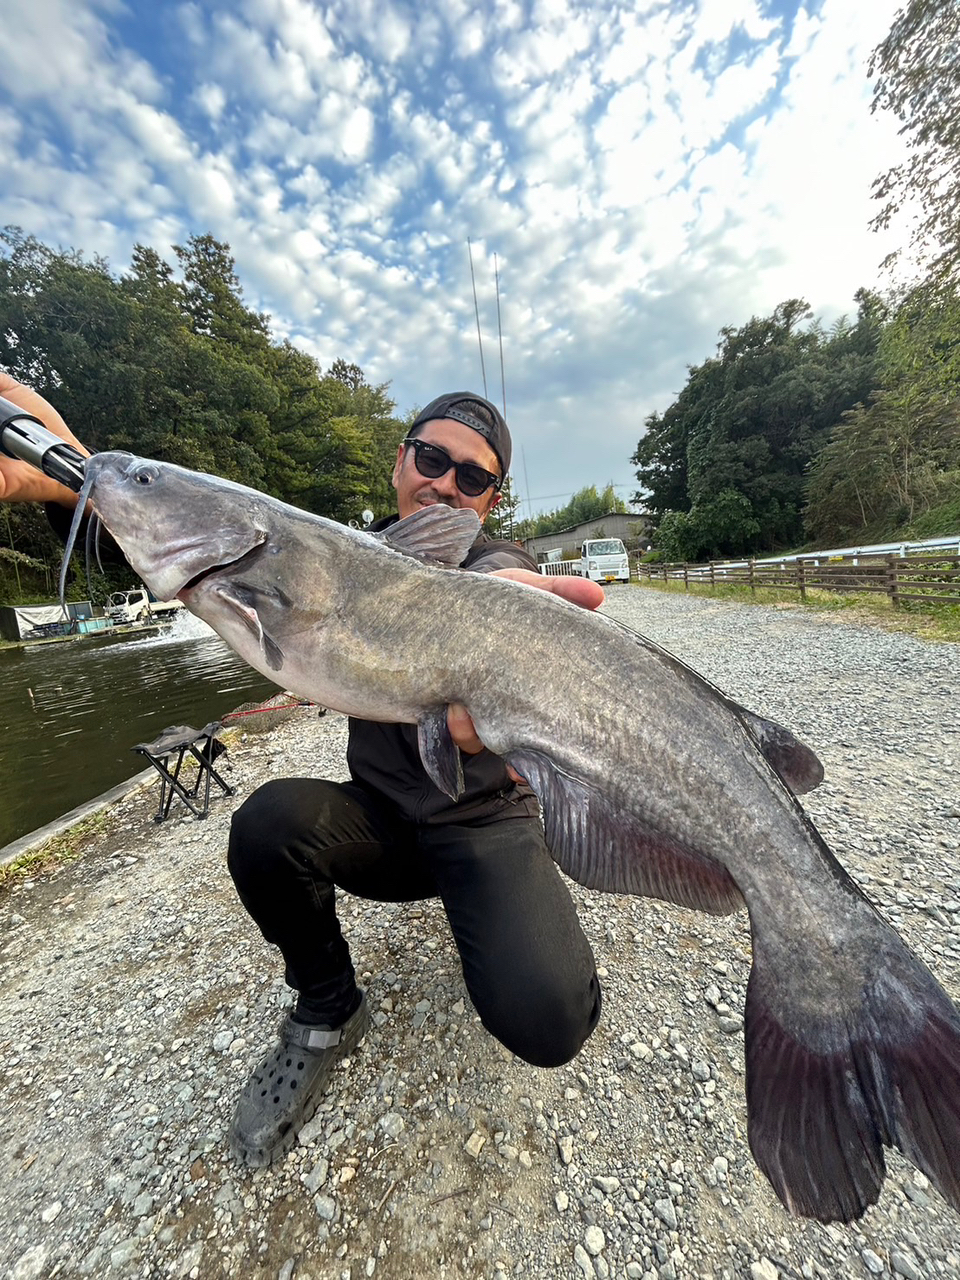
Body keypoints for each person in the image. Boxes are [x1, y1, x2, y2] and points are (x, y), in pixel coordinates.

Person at [0, 377, 605, 1168]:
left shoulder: (488, 561)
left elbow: (498, 580)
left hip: (484, 824)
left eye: (474, 477)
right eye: (432, 457)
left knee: (549, 1020)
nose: (446, 483)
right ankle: (325, 1006)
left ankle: (523, 901)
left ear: (490, 498)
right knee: (268, 824)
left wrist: (505, 610)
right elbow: (188, 541)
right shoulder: (327, 553)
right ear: (401, 460)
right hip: (383, 824)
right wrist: (79, 479)